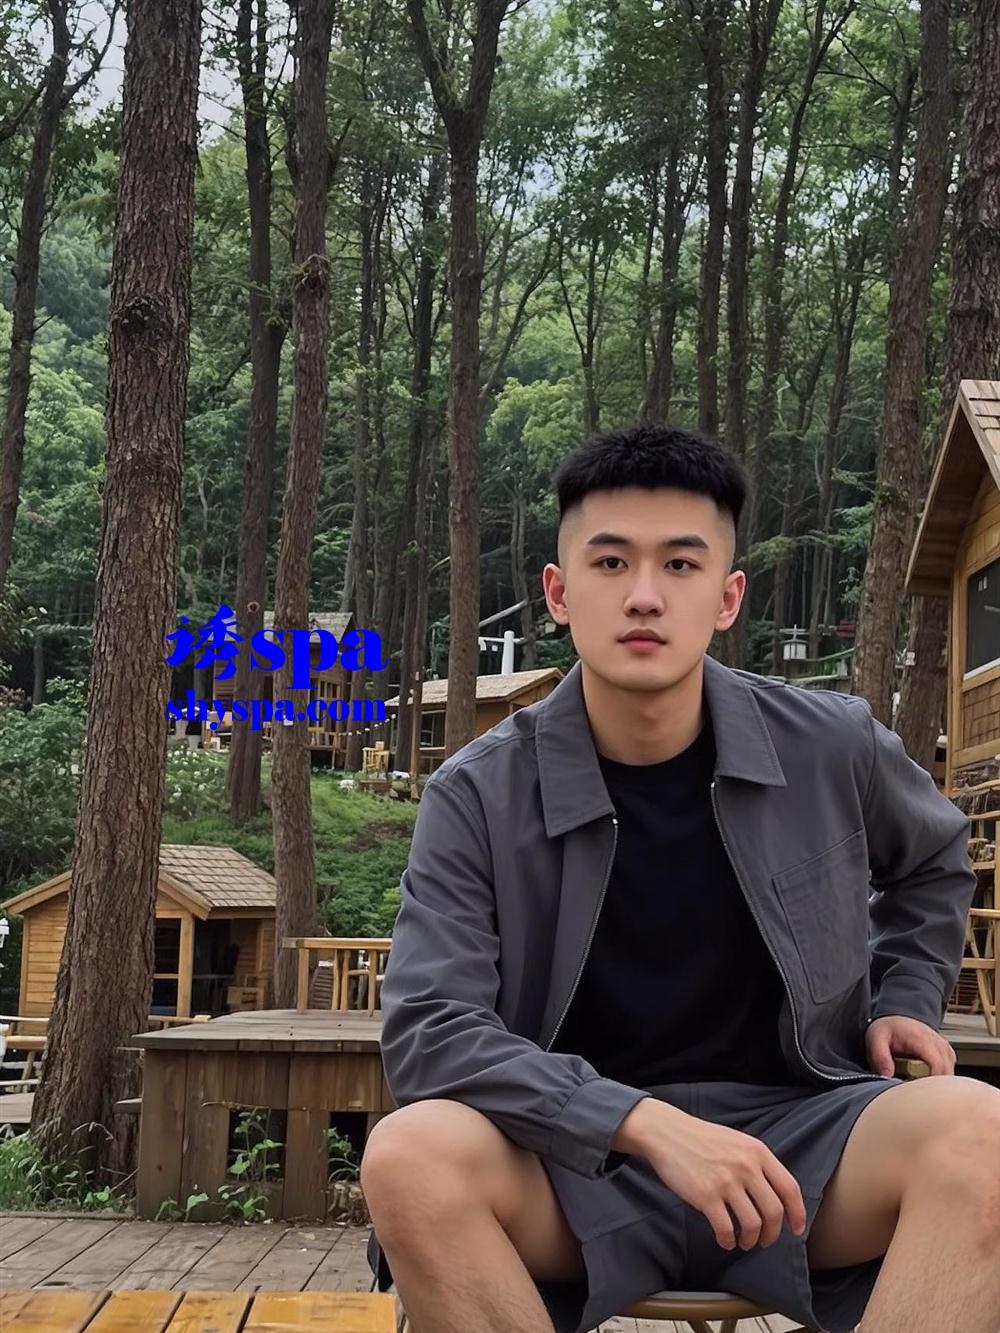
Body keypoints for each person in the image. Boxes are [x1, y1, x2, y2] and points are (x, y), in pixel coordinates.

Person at [361, 423, 999, 1333]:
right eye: (611, 562)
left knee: (981, 1133)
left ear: (727, 596)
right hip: (575, 1159)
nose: (645, 595)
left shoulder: (832, 746)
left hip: (806, 1138)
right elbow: (431, 1030)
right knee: (407, 1155)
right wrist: (644, 1123)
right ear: (559, 591)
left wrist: (906, 995)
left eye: (681, 564)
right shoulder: (478, 793)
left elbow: (934, 860)